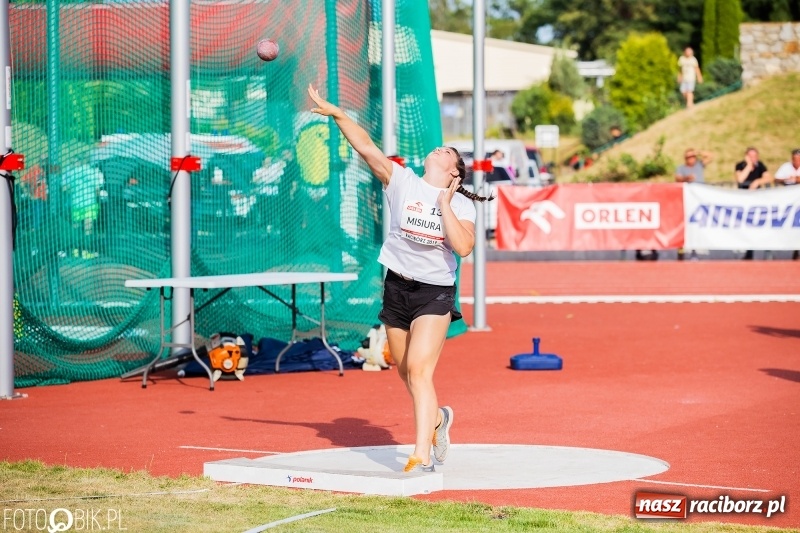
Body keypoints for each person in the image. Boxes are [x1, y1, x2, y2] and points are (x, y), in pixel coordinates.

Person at [307, 84, 491, 473]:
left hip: (434, 294)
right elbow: (367, 148)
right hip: (396, 287)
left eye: (447, 152)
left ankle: (420, 453)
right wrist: (339, 114)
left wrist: (444, 206)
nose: (439, 149)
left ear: (455, 171)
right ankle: (439, 418)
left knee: (421, 372)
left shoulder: (458, 204)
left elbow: (464, 248)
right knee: (405, 370)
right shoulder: (403, 182)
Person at [735, 147, 772, 260]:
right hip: (745, 202)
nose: (753, 158)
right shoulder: (740, 165)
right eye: (750, 156)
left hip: (758, 201)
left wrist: (757, 181)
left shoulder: (760, 165)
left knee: (764, 226)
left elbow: (769, 178)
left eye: (754, 156)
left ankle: (767, 252)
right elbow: (740, 179)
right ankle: (749, 252)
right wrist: (748, 166)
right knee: (747, 227)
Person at [675, 149, 713, 260]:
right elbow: (677, 178)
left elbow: (710, 156)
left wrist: (698, 152)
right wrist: (687, 179)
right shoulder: (681, 168)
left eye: (692, 156)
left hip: (699, 201)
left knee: (696, 225)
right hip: (687, 201)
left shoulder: (699, 165)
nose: (690, 159)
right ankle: (681, 250)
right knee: (684, 225)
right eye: (688, 157)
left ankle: (694, 250)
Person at [774, 148, 800, 260]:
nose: (797, 162)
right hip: (789, 202)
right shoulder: (786, 167)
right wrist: (786, 179)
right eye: (795, 159)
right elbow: (776, 179)